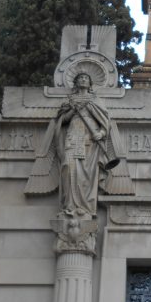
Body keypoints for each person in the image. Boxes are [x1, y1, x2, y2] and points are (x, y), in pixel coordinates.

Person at [55, 72, 117, 217]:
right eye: (80, 78)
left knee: (86, 174)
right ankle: (69, 205)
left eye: (86, 78)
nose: (83, 79)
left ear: (90, 84)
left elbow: (105, 122)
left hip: (89, 139)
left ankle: (85, 207)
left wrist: (101, 134)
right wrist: (72, 110)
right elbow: (61, 121)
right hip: (72, 136)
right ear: (75, 83)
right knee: (68, 168)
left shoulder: (95, 100)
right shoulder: (69, 100)